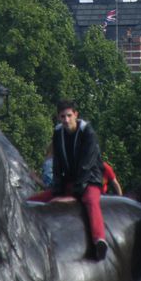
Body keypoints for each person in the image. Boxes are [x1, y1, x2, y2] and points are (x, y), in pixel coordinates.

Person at [29, 100, 108, 260]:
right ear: (58, 117)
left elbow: (88, 163)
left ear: (76, 115)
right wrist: (58, 186)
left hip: (89, 180)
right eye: (62, 116)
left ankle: (99, 240)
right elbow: (57, 162)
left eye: (69, 116)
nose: (66, 120)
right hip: (69, 181)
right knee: (33, 200)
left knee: (91, 201)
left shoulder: (88, 133)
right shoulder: (58, 133)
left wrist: (79, 188)